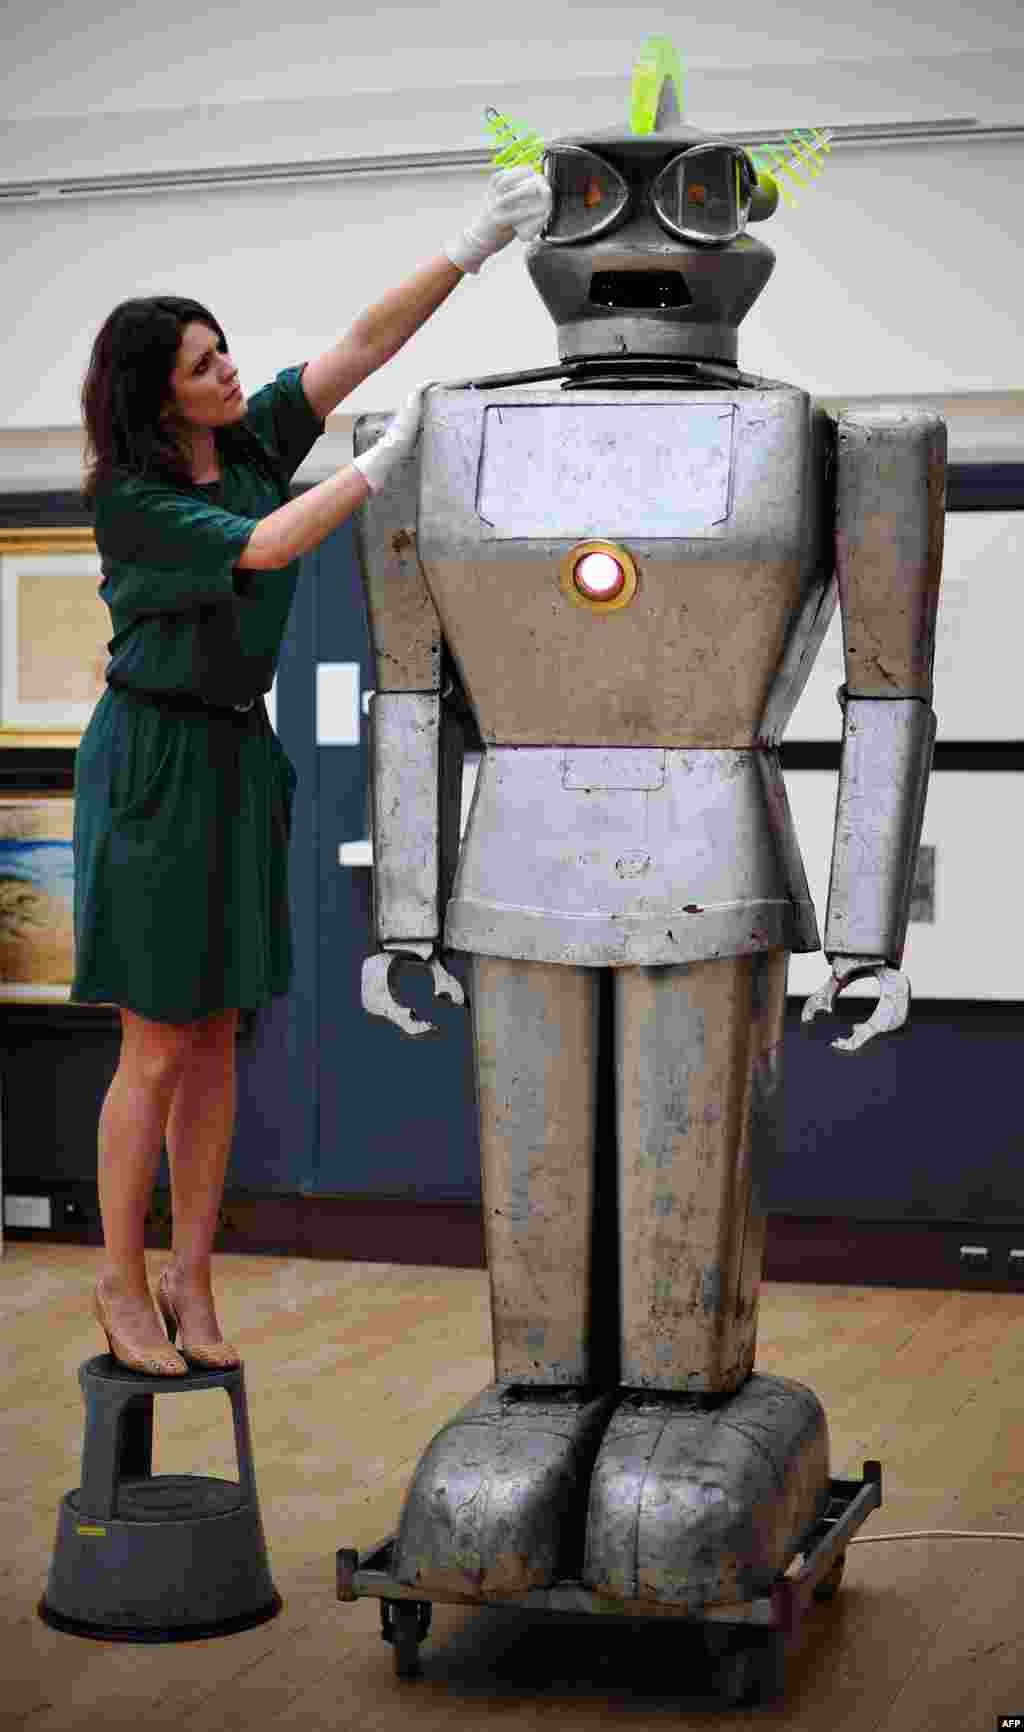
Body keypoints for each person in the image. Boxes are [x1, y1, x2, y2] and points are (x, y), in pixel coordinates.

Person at [73, 165, 551, 1376]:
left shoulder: (248, 442)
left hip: (238, 750)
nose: (230, 370)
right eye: (203, 363)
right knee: (157, 1044)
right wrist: (378, 469)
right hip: (156, 759)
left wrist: (475, 241)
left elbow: (360, 341)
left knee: (222, 1035)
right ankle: (119, 1283)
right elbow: (272, 542)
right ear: (155, 396)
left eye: (225, 350)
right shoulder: (131, 500)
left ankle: (192, 1274)